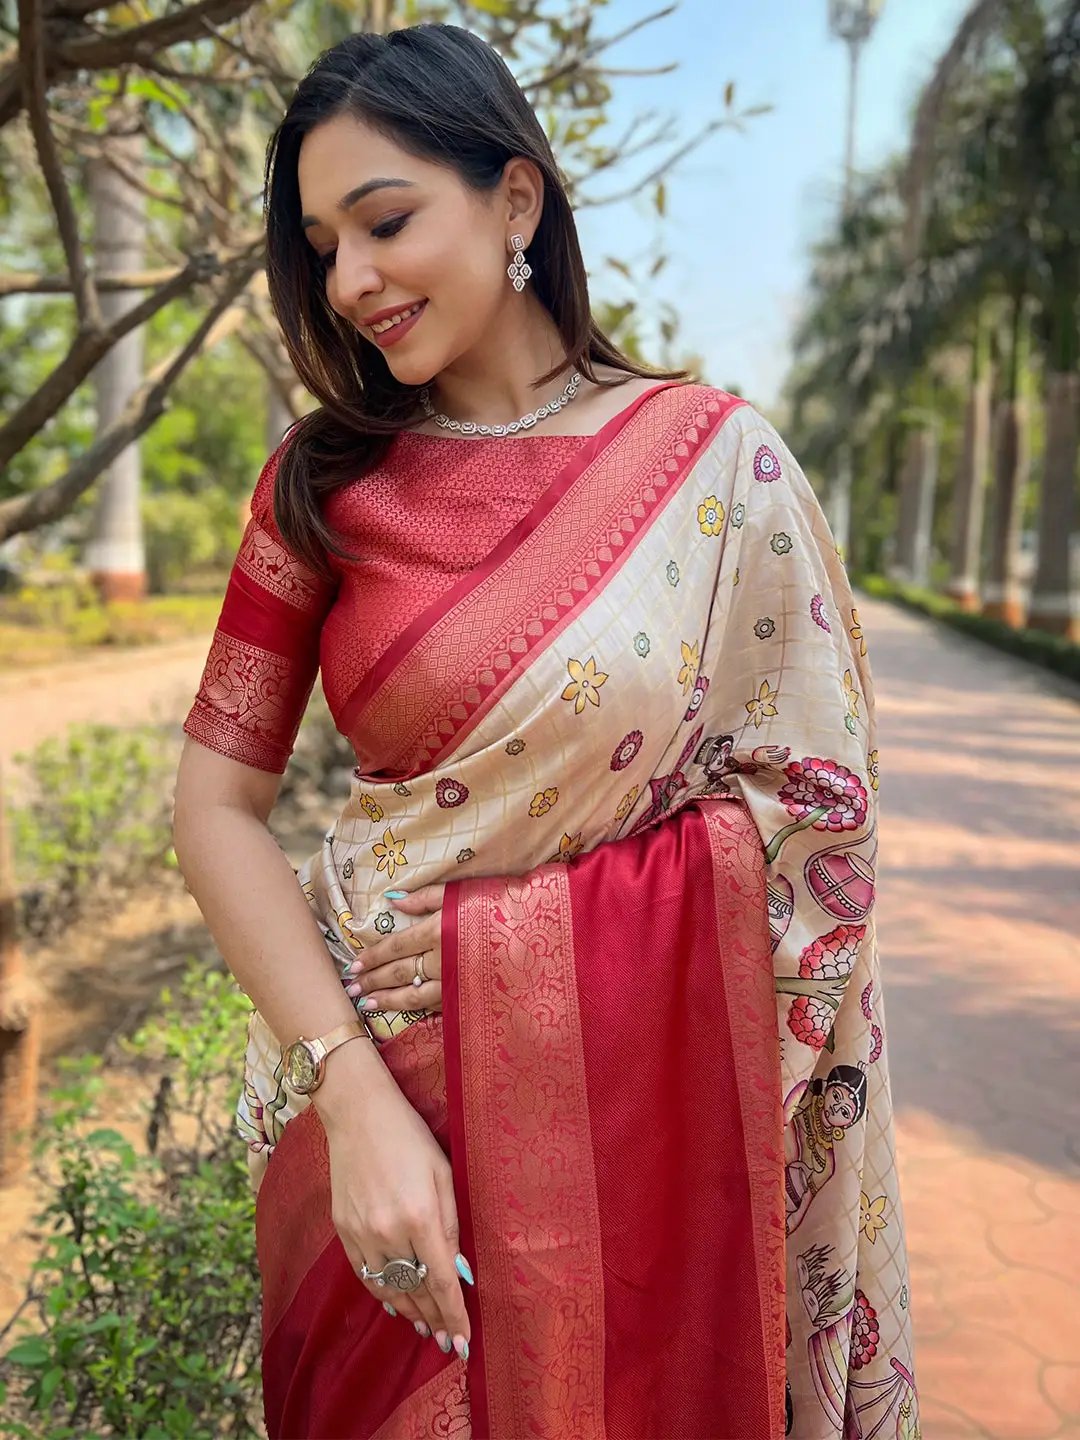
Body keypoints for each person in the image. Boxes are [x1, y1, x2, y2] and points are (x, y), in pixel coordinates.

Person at [172, 22, 918, 1440]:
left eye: (386, 222)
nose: (352, 280)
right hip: (385, 1126)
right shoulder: (319, 487)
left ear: (517, 201)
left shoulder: (718, 469)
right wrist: (351, 1095)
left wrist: (526, 937)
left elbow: (822, 816)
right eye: (322, 244)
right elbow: (214, 807)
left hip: (648, 1137)